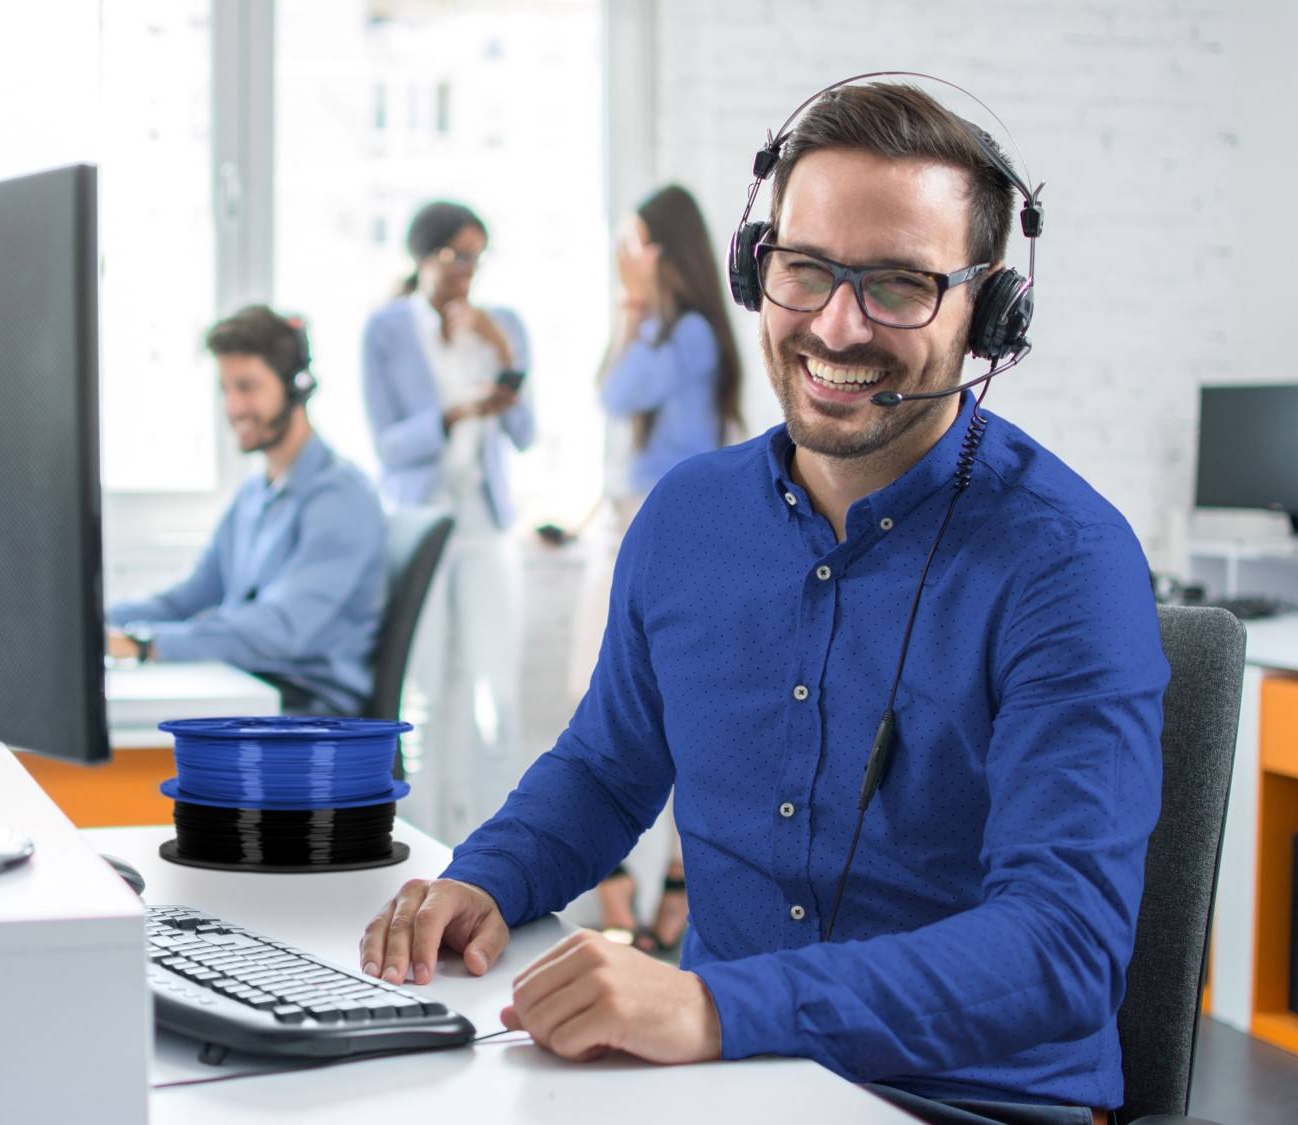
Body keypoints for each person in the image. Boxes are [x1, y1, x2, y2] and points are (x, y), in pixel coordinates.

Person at [358, 81, 1166, 1125]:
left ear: (987, 311)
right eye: (805, 270)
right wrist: (487, 881)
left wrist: (710, 1009)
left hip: (965, 1104)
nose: (837, 324)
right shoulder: (686, 517)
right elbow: (606, 771)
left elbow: (1062, 946)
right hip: (723, 1088)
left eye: (898, 285)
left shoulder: (1066, 562)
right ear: (755, 270)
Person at [580, 183, 742, 955]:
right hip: (627, 525)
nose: (629, 260)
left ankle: (654, 895)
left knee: (657, 716)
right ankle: (635, 893)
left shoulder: (693, 338)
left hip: (660, 535)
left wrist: (631, 310)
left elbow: (616, 391)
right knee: (608, 715)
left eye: (639, 244)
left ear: (667, 251)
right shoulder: (671, 333)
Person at [108, 306, 386, 716]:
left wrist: (145, 644)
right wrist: (94, 623)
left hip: (310, 717)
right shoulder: (255, 493)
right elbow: (187, 599)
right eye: (226, 389)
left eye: (247, 387)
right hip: (254, 692)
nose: (234, 407)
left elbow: (280, 628)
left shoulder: (341, 497)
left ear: (297, 386)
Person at [361, 201, 534, 844]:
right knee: (422, 701)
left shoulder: (502, 324)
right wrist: (456, 413)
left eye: (475, 258)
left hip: (484, 525)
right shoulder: (385, 330)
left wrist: (501, 351)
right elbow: (388, 444)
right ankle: (421, 852)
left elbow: (523, 430)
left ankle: (502, 856)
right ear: (421, 256)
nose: (466, 271)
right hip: (420, 525)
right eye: (454, 256)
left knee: (497, 702)